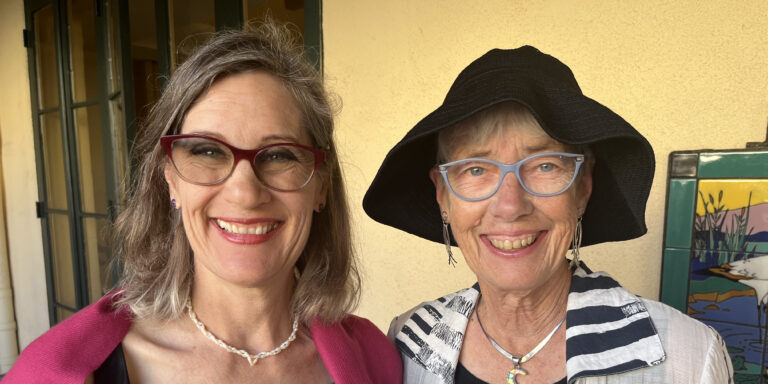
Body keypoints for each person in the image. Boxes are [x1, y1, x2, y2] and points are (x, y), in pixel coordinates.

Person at [5, 20, 401, 384]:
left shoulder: (377, 358)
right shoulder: (60, 373)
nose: (245, 193)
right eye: (208, 152)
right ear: (171, 180)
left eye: (280, 154)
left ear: (322, 187)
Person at [363, 46, 733, 383]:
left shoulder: (688, 359)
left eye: (544, 165)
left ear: (583, 187)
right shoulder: (407, 342)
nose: (510, 206)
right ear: (443, 195)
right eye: (476, 169)